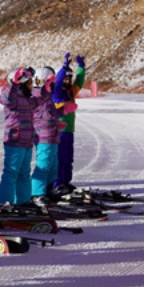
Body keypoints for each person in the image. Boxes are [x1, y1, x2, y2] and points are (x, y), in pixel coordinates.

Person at [0, 66, 38, 208]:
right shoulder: (11, 96)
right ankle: (4, 202)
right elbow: (5, 99)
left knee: (24, 174)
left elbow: (40, 100)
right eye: (29, 82)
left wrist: (48, 88)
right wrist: (13, 84)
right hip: (15, 141)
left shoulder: (27, 98)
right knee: (11, 173)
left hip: (26, 142)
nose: (32, 86)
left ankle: (23, 201)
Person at [30, 65, 71, 203]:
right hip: (43, 137)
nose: (53, 85)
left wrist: (62, 113)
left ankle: (47, 190)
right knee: (44, 165)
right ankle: (36, 193)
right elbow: (37, 92)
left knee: (53, 165)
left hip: (53, 135)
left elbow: (51, 114)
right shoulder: (38, 95)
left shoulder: (48, 98)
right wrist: (44, 84)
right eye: (51, 82)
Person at [53, 54, 86, 192]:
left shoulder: (70, 92)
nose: (67, 80)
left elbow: (79, 82)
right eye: (65, 78)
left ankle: (66, 182)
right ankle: (58, 184)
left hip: (69, 131)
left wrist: (81, 68)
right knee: (59, 159)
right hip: (59, 131)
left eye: (69, 78)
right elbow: (58, 81)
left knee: (68, 159)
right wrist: (64, 67)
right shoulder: (57, 93)